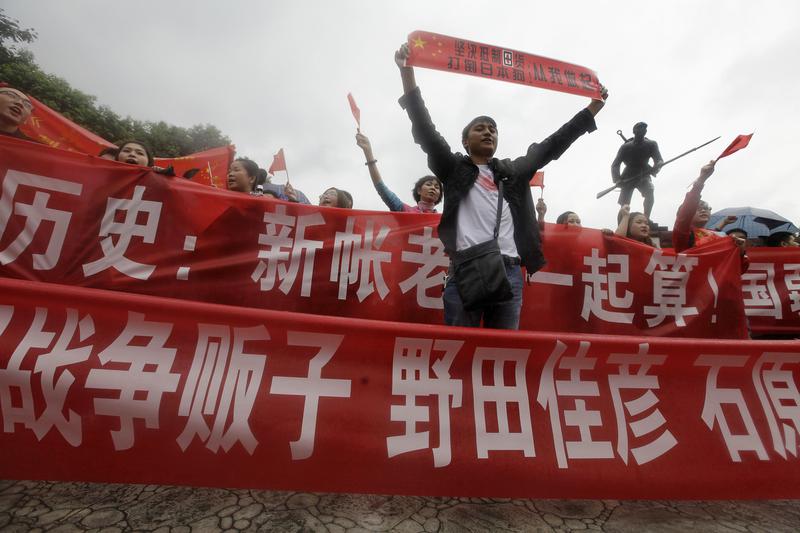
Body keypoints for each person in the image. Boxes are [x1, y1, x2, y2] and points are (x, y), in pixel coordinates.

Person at [395, 42, 607, 329]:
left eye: (492, 129)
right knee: (459, 352)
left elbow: (553, 144)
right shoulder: (453, 168)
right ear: (465, 141)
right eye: (479, 128)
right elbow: (424, 128)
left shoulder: (514, 172)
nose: (488, 132)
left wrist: (592, 108)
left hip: (509, 272)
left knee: (500, 356)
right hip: (465, 270)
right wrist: (406, 71)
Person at [672, 161, 748, 266]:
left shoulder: (721, 237)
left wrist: (740, 252)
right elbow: (685, 214)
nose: (703, 210)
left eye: (706, 208)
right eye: (697, 208)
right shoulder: (683, 234)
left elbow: (737, 270)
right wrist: (701, 180)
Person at [355, 131, 442, 213]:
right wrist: (368, 152)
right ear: (419, 190)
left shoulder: (445, 220)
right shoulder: (404, 210)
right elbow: (382, 189)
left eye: (437, 187)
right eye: (429, 184)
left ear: (439, 195)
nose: (433, 188)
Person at [610, 122, 663, 219]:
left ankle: (646, 218)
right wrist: (617, 180)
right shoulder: (625, 147)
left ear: (646, 131)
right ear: (634, 131)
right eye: (639, 128)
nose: (642, 130)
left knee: (649, 192)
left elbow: (659, 159)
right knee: (624, 202)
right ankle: (623, 221)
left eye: (644, 129)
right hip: (628, 175)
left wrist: (658, 166)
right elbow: (615, 164)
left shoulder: (651, 144)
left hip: (644, 173)